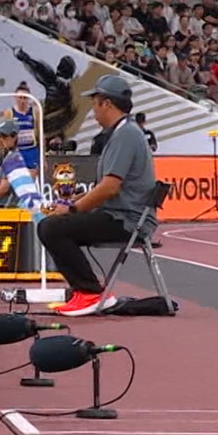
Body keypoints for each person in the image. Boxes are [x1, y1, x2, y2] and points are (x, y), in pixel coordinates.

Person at [37, 75, 156, 317]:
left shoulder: (126, 135)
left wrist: (73, 209)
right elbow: (107, 186)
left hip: (126, 220)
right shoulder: (123, 133)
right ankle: (84, 290)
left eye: (95, 105)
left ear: (107, 104)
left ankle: (88, 292)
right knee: (55, 225)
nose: (93, 113)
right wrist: (76, 201)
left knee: (51, 228)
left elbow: (110, 187)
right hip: (122, 215)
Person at [9, 84, 41, 170]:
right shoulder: (10, 112)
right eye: (20, 98)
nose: (22, 101)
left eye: (25, 98)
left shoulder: (35, 112)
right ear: (15, 98)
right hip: (17, 151)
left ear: (28, 99)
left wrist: (43, 158)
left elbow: (41, 134)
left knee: (32, 175)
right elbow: (6, 136)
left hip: (31, 150)